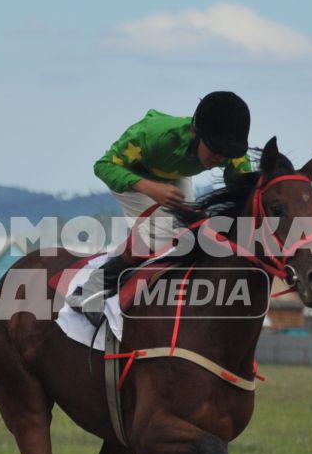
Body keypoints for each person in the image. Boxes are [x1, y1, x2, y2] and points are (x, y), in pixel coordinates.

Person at [83, 91, 252, 308]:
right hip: (130, 176)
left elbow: (243, 192)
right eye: (215, 149)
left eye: (226, 153)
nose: (219, 158)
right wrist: (149, 187)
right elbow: (103, 166)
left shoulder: (231, 153)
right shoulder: (152, 135)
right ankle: (91, 288)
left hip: (172, 174)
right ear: (196, 133)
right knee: (161, 235)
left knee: (191, 233)